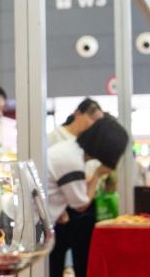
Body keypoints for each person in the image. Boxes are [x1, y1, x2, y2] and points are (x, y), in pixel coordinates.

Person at [47, 116, 129, 277]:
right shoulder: (73, 160)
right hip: (31, 224)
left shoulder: (70, 149)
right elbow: (81, 204)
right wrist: (98, 173)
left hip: (39, 221)